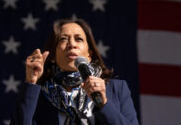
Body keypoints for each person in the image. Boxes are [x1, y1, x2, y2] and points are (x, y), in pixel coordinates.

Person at [10, 19, 139, 125]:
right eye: (63, 39)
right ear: (53, 55)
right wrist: (31, 82)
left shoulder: (117, 89)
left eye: (79, 39)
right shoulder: (38, 96)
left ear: (90, 53)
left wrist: (103, 104)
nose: (72, 44)